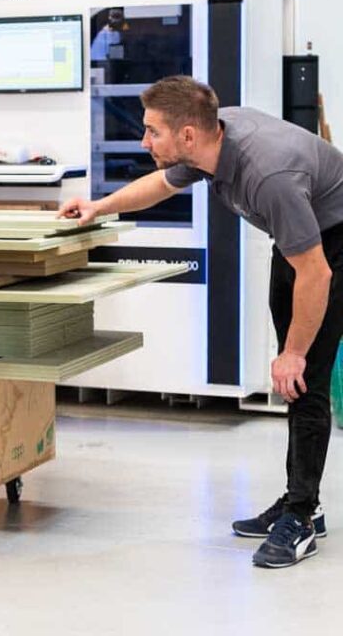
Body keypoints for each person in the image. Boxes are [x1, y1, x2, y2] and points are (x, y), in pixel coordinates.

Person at [58, 75, 343, 569]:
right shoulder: (210, 143)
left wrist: (294, 352)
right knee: (294, 378)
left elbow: (316, 271)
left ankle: (300, 517)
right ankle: (304, 499)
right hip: (298, 241)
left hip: (330, 244)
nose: (144, 141)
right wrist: (98, 207)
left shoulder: (268, 174)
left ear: (188, 134)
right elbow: (160, 185)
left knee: (303, 377)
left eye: (152, 132)